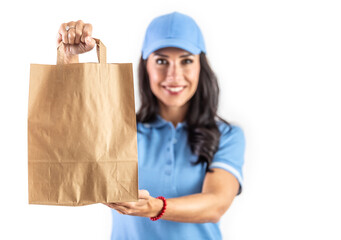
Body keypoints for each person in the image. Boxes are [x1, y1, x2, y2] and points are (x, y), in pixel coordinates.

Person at [57, 11, 245, 240]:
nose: (173, 75)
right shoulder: (121, 130)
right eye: (161, 61)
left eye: (186, 60)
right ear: (146, 67)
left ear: (200, 67)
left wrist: (154, 207)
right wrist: (69, 59)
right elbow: (70, 140)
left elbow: (216, 204)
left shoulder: (227, 135)